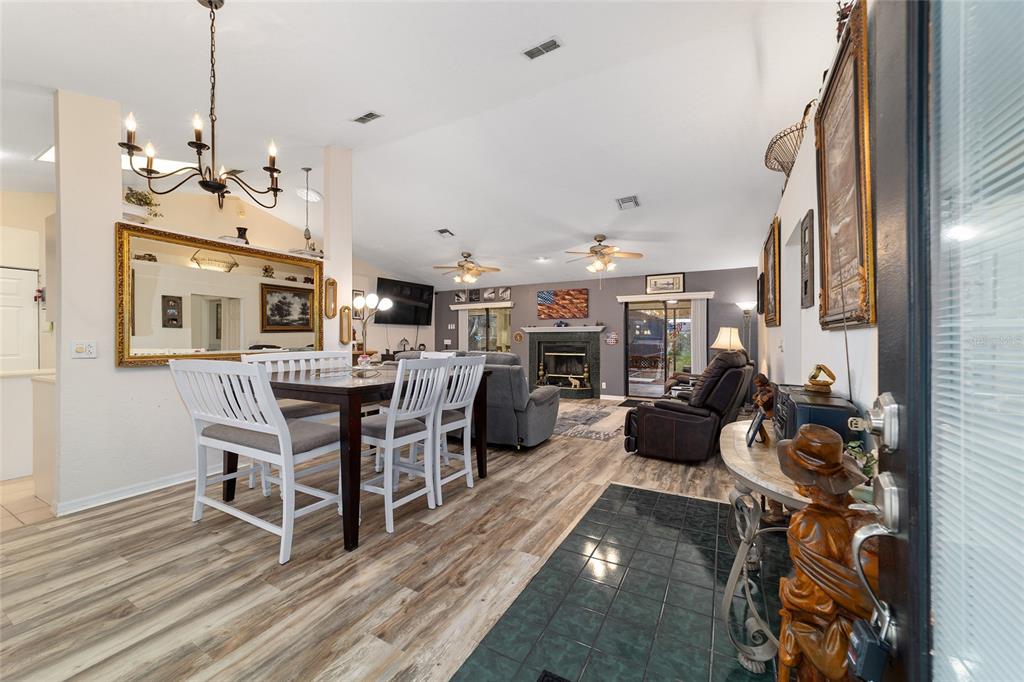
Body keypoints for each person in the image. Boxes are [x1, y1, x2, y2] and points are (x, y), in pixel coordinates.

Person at [776, 424, 878, 682]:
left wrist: (784, 589)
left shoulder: (807, 525)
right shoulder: (865, 517)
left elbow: (811, 600)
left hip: (827, 644)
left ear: (805, 483)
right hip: (863, 636)